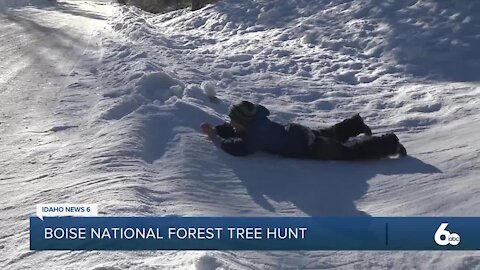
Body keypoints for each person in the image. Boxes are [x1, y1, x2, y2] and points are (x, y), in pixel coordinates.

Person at [200, 100, 407, 160]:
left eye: (233, 121)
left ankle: (390, 144)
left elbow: (240, 148)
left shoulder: (256, 135)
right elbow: (237, 130)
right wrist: (219, 129)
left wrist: (216, 139)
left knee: (350, 152)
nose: (231, 124)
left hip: (307, 147)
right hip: (297, 132)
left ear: (245, 121)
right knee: (330, 133)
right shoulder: (256, 121)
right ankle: (355, 125)